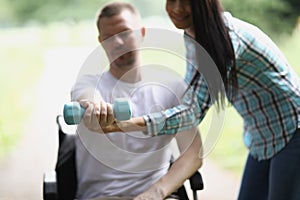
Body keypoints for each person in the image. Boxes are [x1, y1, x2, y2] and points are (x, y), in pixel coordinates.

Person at [84, 0, 300, 199]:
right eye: (172, 0)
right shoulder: (195, 35)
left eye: (186, 1)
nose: (177, 8)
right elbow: (191, 94)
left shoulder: (227, 40)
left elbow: (191, 113)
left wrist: (129, 124)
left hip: (293, 130)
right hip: (264, 137)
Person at [71, 2, 202, 200]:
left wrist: (155, 193)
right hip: (101, 196)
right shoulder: (88, 83)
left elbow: (193, 154)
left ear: (141, 33)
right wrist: (94, 106)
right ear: (101, 42)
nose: (118, 43)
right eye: (109, 38)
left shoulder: (173, 87)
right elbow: (87, 96)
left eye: (124, 33)